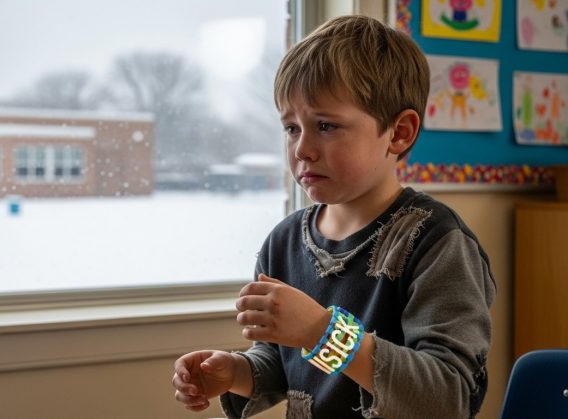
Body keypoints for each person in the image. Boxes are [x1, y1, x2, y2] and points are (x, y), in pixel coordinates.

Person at [172, 14, 495, 419]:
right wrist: (234, 372)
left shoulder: (437, 242)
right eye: (291, 128)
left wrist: (323, 333)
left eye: (325, 125)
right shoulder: (284, 241)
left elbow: (448, 397)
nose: (302, 149)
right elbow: (285, 365)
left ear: (399, 133)